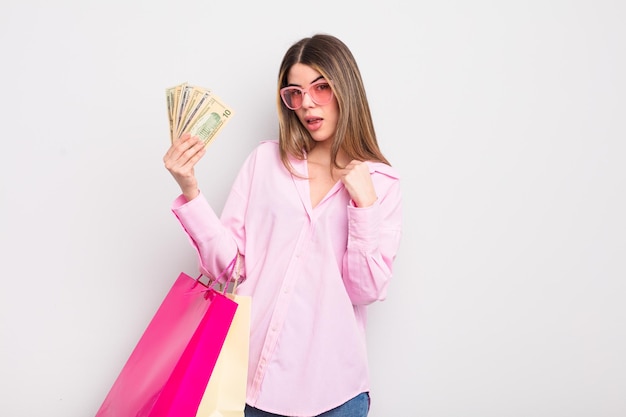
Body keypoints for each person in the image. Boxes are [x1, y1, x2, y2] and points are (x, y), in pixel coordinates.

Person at [163, 33, 402, 417]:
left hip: (336, 394)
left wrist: (364, 205)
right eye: (295, 92)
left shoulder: (381, 185)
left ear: (346, 89)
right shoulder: (265, 161)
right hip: (249, 384)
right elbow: (228, 268)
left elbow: (365, 289)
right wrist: (190, 189)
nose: (306, 103)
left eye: (321, 88)